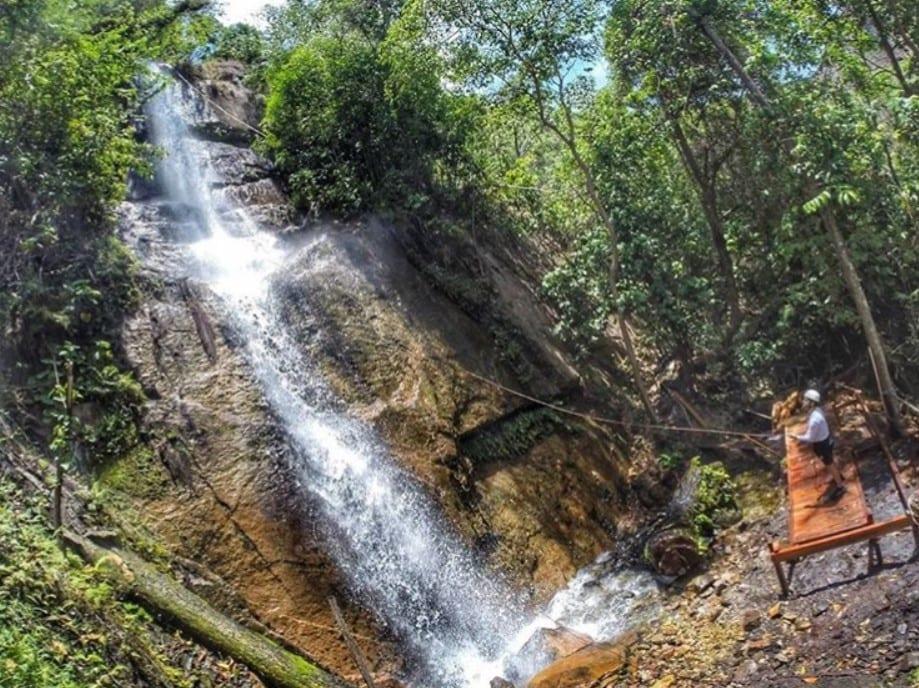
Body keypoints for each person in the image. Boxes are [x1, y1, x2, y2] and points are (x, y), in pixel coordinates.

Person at [795, 389, 845, 503]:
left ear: (811, 403)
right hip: (825, 440)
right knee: (830, 461)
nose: (803, 402)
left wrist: (797, 437)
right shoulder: (817, 411)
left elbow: (810, 438)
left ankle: (840, 486)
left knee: (829, 463)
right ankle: (838, 477)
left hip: (821, 444)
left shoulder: (814, 420)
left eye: (805, 400)